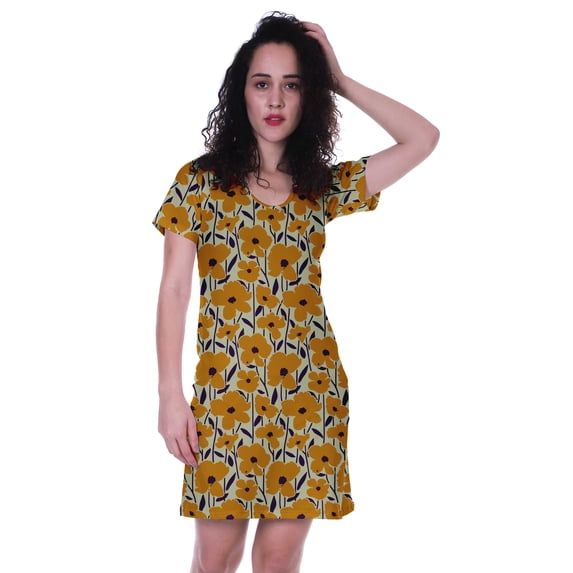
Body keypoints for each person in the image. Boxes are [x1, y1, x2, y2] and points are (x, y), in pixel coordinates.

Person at [153, 12, 438, 573]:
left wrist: (340, 78)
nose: (276, 99)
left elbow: (422, 138)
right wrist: (169, 395)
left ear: (311, 96)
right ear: (241, 93)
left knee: (279, 561)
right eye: (262, 83)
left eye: (293, 84)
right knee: (214, 560)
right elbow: (175, 290)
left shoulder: (320, 187)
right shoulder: (199, 182)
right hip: (225, 397)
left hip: (308, 395)